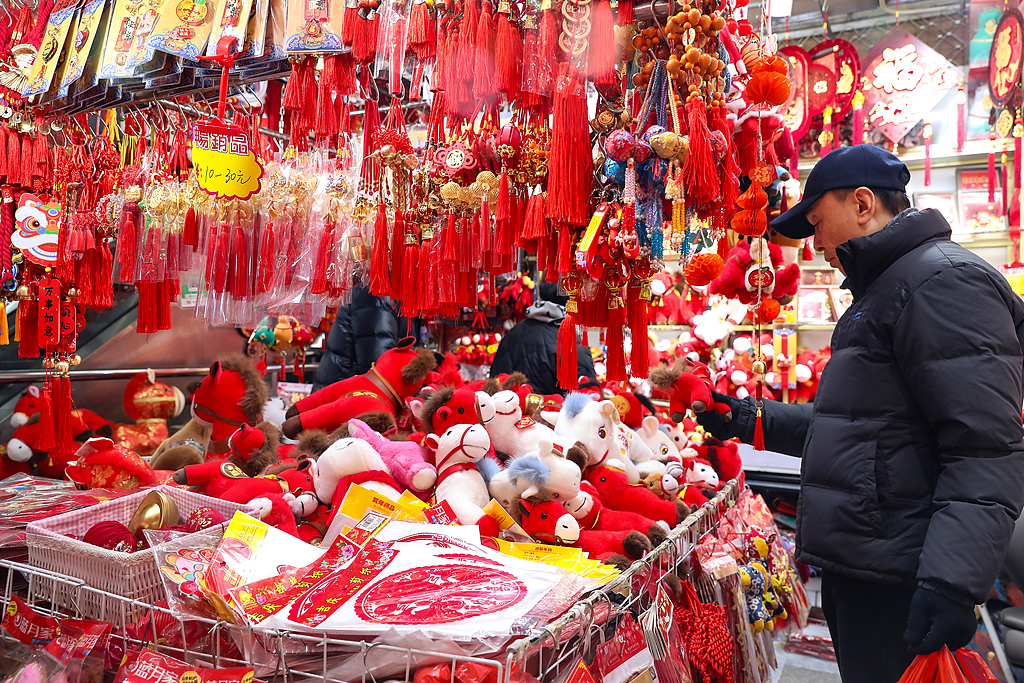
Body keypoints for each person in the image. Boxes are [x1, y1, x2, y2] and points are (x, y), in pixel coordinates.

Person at [696, 145, 1024, 683]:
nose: (816, 245)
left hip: (904, 574)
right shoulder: (891, 287)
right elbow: (859, 432)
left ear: (864, 204)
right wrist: (747, 418)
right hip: (876, 564)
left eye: (819, 225)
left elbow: (984, 447)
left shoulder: (938, 283)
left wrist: (951, 582)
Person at [490, 280, 598, 395]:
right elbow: (587, 393)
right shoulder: (571, 340)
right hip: (552, 411)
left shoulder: (514, 332)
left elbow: (495, 383)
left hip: (513, 409)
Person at [314, 285, 418, 391]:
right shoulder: (378, 294)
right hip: (348, 397)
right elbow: (377, 370)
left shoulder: (388, 292)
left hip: (347, 393)